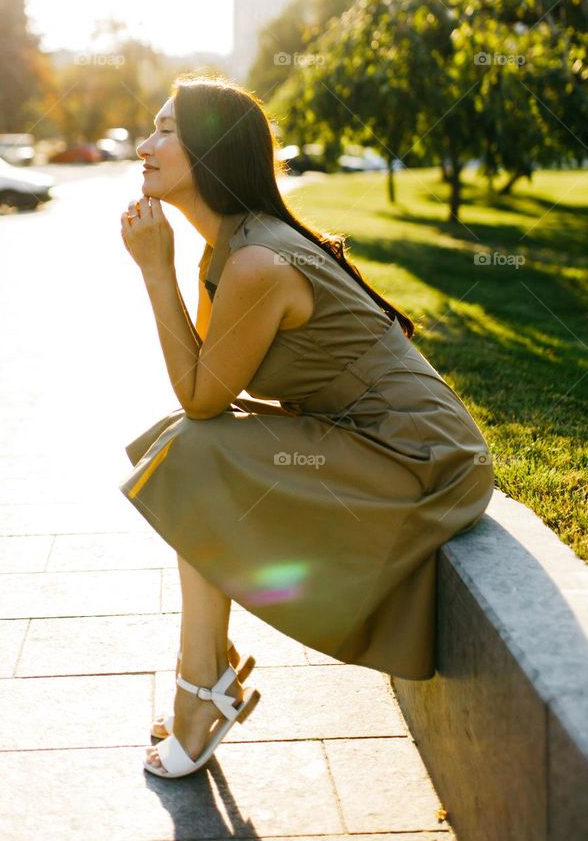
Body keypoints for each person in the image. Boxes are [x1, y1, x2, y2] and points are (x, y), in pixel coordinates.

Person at [119, 75, 494, 778]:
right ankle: (206, 674)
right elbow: (209, 390)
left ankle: (201, 687)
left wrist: (153, 272)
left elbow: (201, 397)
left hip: (418, 456)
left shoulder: (257, 260)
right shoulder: (232, 249)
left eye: (166, 130)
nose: (146, 144)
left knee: (193, 449)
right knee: (191, 453)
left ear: (211, 153)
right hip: (377, 440)